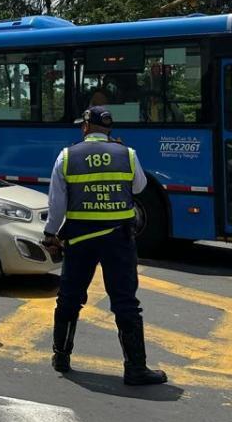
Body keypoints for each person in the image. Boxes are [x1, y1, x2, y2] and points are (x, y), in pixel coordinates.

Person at [43, 105, 166, 386]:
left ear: (85, 127)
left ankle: (61, 357)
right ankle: (135, 368)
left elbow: (57, 205)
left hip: (81, 240)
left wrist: (51, 234)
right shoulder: (127, 154)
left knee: (69, 298)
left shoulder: (67, 156)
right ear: (108, 128)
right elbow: (138, 188)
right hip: (118, 240)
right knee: (125, 302)